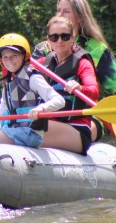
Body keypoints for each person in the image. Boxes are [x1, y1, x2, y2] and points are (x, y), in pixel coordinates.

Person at [0, 33, 66, 149]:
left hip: (29, 134)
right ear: (1, 60)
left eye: (14, 55)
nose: (9, 60)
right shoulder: (9, 84)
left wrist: (41, 108)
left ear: (24, 56)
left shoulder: (33, 78)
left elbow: (59, 100)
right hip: (12, 131)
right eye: (5, 57)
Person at [32, 0, 116, 97]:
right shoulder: (42, 48)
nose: (60, 15)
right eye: (58, 11)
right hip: (46, 110)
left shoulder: (98, 48)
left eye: (66, 11)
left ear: (79, 18)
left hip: (80, 110)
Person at [36, 16, 100, 155]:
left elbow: (94, 91)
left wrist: (80, 88)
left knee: (31, 126)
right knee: (25, 124)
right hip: (50, 124)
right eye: (54, 37)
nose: (59, 41)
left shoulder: (83, 64)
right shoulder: (41, 64)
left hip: (76, 129)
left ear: (72, 38)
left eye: (65, 36)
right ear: (48, 40)